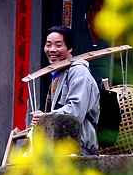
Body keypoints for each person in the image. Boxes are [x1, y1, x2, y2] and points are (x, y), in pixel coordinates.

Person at [30, 26, 100, 155]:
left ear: (70, 48)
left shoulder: (79, 72)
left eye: (58, 45)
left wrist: (46, 117)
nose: (52, 50)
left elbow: (75, 112)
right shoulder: (58, 73)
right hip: (59, 146)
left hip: (79, 147)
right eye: (48, 45)